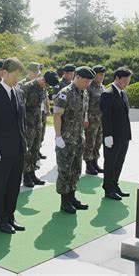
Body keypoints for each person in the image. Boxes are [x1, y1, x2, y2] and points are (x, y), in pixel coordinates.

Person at [0, 57, 27, 234]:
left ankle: (10, 215)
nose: (17, 78)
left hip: (17, 148)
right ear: (4, 73)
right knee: (1, 185)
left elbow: (21, 122)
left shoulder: (19, 93)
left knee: (14, 184)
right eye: (15, 74)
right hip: (1, 150)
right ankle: (0, 219)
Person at [54, 66, 94, 213]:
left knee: (76, 170)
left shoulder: (84, 93)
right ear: (77, 77)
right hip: (66, 140)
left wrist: (84, 120)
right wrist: (58, 136)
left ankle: (72, 196)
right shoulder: (65, 93)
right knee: (65, 170)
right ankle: (64, 200)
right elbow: (57, 115)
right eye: (86, 81)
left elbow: (83, 111)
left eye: (90, 81)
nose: (88, 84)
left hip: (78, 138)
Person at [21, 71, 59, 188]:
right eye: (47, 85)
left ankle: (32, 173)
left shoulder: (43, 89)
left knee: (35, 149)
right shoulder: (27, 87)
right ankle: (26, 175)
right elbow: (20, 107)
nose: (47, 88)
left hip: (38, 123)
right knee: (27, 151)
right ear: (43, 80)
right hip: (27, 124)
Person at [100, 66, 132, 201]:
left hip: (124, 135)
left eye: (128, 81)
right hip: (112, 136)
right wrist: (107, 135)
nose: (126, 83)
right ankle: (108, 188)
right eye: (125, 81)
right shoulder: (108, 94)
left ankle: (115, 184)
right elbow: (106, 116)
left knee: (119, 162)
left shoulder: (123, 93)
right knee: (110, 162)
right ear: (117, 78)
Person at [84, 65, 106, 175]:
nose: (102, 76)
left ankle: (95, 162)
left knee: (98, 142)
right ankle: (88, 165)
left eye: (103, 74)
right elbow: (85, 104)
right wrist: (85, 118)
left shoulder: (102, 87)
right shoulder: (88, 87)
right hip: (91, 120)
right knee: (90, 142)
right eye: (100, 74)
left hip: (100, 120)